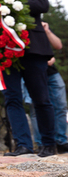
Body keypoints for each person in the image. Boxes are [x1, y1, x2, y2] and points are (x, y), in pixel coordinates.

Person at [0, 0, 56, 157]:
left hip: (33, 49)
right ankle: (23, 145)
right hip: (5, 52)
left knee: (41, 99)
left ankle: (48, 143)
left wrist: (10, 3)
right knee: (12, 99)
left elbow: (42, 4)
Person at [24, 22, 68, 153]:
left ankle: (61, 141)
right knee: (35, 109)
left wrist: (47, 31)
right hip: (31, 72)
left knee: (61, 105)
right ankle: (41, 143)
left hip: (51, 74)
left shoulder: (42, 27)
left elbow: (58, 45)